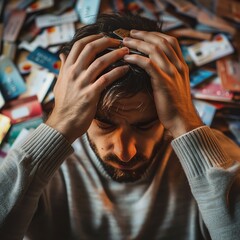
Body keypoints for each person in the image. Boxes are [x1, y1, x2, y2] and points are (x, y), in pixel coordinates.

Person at [0, 13, 240, 240]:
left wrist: (186, 122)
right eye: (104, 124)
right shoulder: (38, 164)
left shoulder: (217, 159)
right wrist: (60, 123)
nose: (126, 152)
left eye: (145, 125)